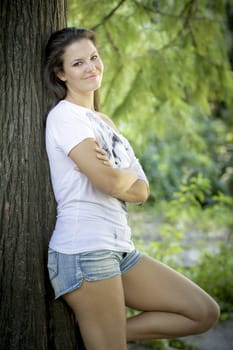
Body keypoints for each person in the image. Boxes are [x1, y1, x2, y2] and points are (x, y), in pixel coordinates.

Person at [44, 27, 220, 350]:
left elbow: (142, 191)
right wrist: (122, 176)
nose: (91, 67)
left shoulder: (104, 123)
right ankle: (103, 335)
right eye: (78, 63)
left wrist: (117, 175)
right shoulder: (65, 118)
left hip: (119, 248)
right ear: (61, 73)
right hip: (85, 249)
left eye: (94, 58)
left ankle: (103, 333)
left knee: (203, 312)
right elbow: (112, 182)